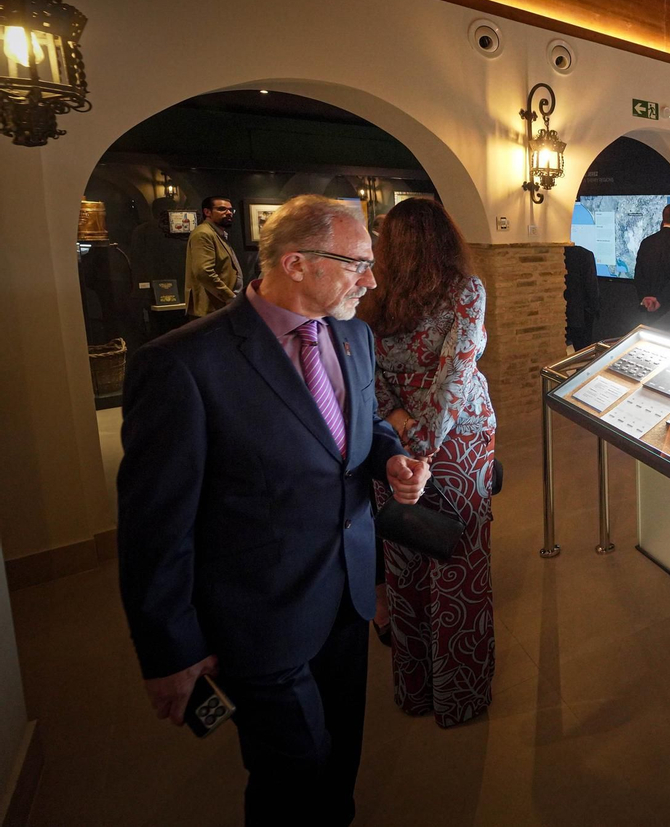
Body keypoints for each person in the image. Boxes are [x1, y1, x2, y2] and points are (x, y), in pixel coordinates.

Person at [118, 194, 431, 826]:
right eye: (358, 264)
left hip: (346, 595)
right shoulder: (183, 364)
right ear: (296, 263)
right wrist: (170, 649)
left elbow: (363, 423)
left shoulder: (354, 336)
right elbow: (155, 526)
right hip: (257, 614)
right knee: (292, 772)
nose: (372, 281)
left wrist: (390, 460)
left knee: (341, 754)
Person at [359, 197, 497, 728]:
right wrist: (425, 449)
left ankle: (414, 689)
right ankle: (458, 697)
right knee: (458, 563)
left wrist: (400, 438)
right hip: (458, 439)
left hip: (390, 441)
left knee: (405, 560)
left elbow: (370, 377)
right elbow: (457, 377)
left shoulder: (374, 295)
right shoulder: (465, 290)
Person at [183, 195, 242, 317]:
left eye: (231, 210)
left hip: (219, 308)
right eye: (222, 209)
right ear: (207, 212)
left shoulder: (216, 233)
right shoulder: (204, 233)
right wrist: (229, 297)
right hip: (212, 309)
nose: (229, 213)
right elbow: (204, 271)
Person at [635, 203, 670, 314]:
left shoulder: (647, 242)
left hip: (649, 306)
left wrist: (645, 297)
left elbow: (639, 274)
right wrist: (660, 300)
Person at [564, 244, 600, 350]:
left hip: (561, 312)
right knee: (583, 353)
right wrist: (595, 308)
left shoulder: (554, 255)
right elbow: (591, 285)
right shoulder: (585, 255)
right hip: (581, 314)